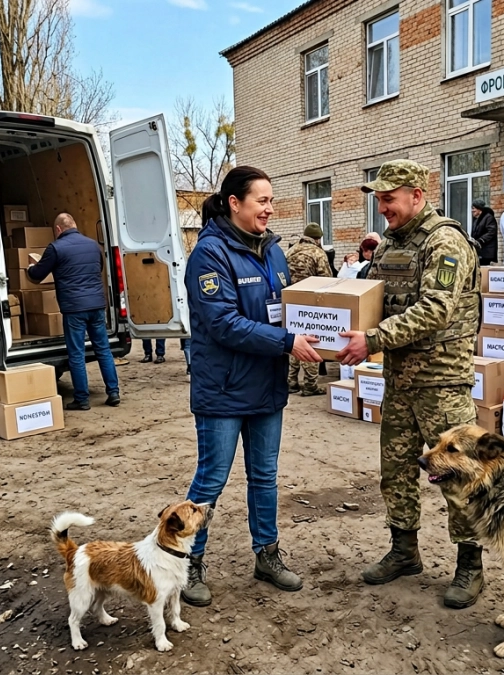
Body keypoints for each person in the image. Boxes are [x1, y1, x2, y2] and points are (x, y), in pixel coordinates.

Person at [336, 160, 485, 609]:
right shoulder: (387, 247)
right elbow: (375, 301)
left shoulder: (446, 242)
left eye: (389, 198)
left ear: (416, 196)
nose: (383, 208)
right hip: (400, 381)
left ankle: (470, 566)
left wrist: (374, 339)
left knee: (460, 479)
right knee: (396, 470)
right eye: (379, 199)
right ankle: (405, 551)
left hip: (442, 383)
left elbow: (435, 309)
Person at [180, 166, 323, 607]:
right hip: (223, 390)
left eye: (271, 200)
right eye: (261, 200)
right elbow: (223, 324)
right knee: (212, 480)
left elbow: (286, 309)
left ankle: (267, 554)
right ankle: (187, 561)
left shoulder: (274, 252)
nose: (269, 207)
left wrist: (325, 327)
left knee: (265, 477)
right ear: (234, 203)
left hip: (265, 386)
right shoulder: (209, 254)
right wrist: (286, 342)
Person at [26, 213, 120, 411]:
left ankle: (82, 399)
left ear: (58, 229)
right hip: (96, 306)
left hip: (74, 308)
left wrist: (30, 268)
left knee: (76, 354)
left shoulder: (55, 248)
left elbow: (37, 275)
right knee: (103, 349)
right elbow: (98, 268)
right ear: (74, 225)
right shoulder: (94, 245)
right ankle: (113, 392)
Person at [285, 222, 332, 396]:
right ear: (318, 238)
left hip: (291, 302)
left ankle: (291, 381)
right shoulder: (318, 253)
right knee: (312, 341)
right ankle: (310, 385)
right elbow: (327, 279)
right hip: (311, 303)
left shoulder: (290, 251)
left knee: (294, 340)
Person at [469, 199, 498, 266]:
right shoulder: (476, 218)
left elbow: (491, 232)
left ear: (480, 209)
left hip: (487, 252)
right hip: (479, 250)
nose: (472, 211)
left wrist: (480, 240)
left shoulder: (488, 218)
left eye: (474, 208)